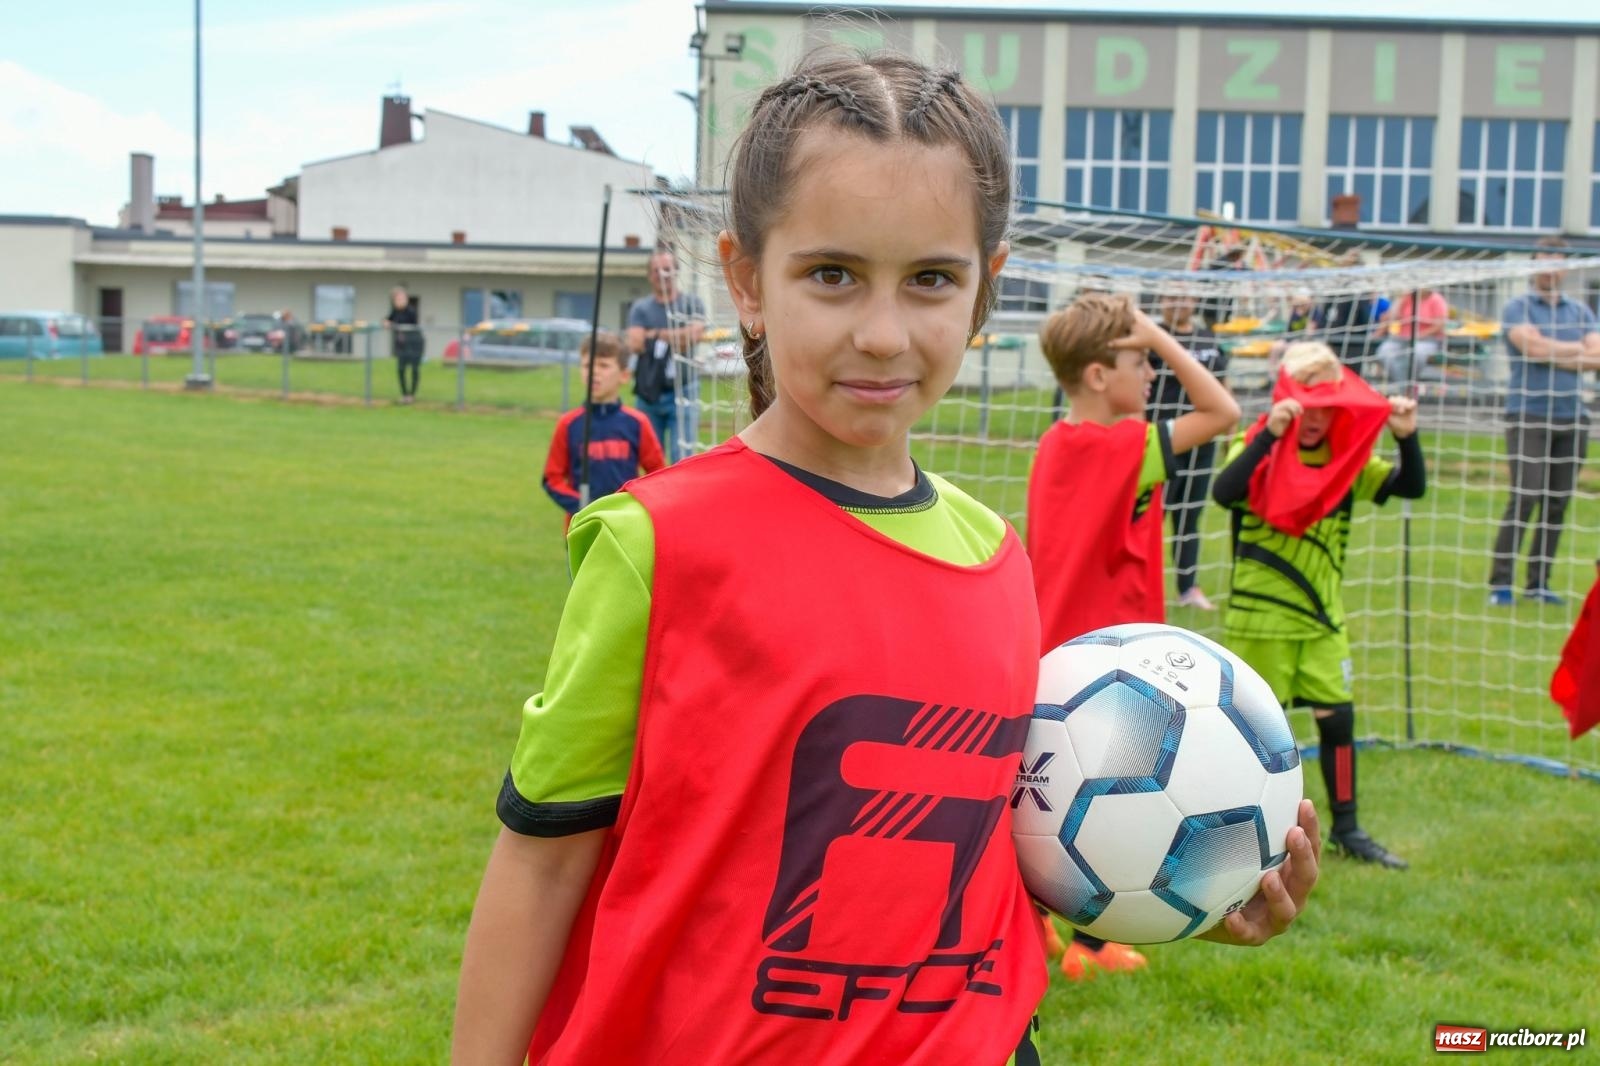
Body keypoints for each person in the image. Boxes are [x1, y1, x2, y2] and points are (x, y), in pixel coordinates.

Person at [453, 48, 1320, 1066]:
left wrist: (1184, 886)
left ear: (983, 290)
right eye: (832, 274)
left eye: (929, 280)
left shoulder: (995, 560)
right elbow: (545, 861)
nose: (880, 331)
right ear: (745, 280)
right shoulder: (661, 543)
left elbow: (991, 843)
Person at [1028, 290, 1240, 978]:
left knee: (1043, 800)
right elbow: (1223, 412)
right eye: (1139, 361)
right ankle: (1090, 947)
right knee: (1113, 805)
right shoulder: (1126, 446)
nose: (1151, 373)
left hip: (1052, 657)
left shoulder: (1055, 444)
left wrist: (1143, 338)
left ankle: (1035, 928)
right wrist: (1161, 333)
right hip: (1114, 670)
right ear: (1097, 376)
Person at [1212, 341, 1424, 870]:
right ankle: (1248, 838)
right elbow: (1224, 491)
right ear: (1286, 398)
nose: (1315, 418)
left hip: (1323, 619)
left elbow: (1411, 486)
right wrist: (1269, 435)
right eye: (1306, 403)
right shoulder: (1255, 442)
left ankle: (1347, 829)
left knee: (1339, 721)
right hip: (1259, 620)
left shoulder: (1347, 459)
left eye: (1327, 405)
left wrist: (1408, 437)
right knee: (1261, 737)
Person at [1489, 236, 1600, 606]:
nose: (1549, 270)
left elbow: (1596, 357)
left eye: (1556, 262)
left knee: (1557, 501)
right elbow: (1530, 349)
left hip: (1573, 417)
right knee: (1526, 495)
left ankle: (1538, 583)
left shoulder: (1581, 312)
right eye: (1542, 262)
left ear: (1565, 267)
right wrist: (1574, 350)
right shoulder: (1518, 307)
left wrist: (1550, 350)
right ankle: (1500, 584)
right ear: (1533, 266)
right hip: (1528, 414)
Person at [1150, 292, 1231, 610]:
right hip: (1161, 440)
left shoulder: (1208, 337)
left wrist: (1229, 431)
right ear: (1161, 302)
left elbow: (1223, 383)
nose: (1178, 302)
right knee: (1153, 516)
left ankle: (1188, 588)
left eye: (1184, 297)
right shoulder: (1151, 338)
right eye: (1170, 297)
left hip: (1203, 442)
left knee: (1190, 517)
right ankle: (1147, 584)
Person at [541, 330, 665, 522]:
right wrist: (582, 506)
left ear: (624, 375)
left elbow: (657, 474)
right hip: (582, 525)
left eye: (603, 365)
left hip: (625, 524)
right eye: (587, 365)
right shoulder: (569, 424)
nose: (594, 372)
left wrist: (632, 504)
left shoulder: (637, 423)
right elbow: (552, 479)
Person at [626, 247, 706, 462]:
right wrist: (678, 337)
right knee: (651, 458)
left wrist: (656, 334)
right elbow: (635, 343)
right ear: (649, 275)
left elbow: (695, 334)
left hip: (684, 389)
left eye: (667, 269)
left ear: (676, 271)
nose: (663, 275)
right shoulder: (640, 308)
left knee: (683, 458)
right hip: (649, 392)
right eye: (657, 270)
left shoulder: (691, 303)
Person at [1373, 286, 1448, 385]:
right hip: (1402, 339)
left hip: (1426, 340)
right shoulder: (1407, 298)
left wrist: (1419, 335)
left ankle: (1405, 387)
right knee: (1384, 352)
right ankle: (1404, 385)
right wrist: (1400, 299)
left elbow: (1439, 325)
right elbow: (1391, 318)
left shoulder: (1437, 300)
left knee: (1416, 355)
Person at [384, 286, 424, 404]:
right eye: (398, 298)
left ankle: (412, 395)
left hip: (415, 343)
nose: (401, 300)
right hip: (403, 345)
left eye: (402, 297)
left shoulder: (411, 310)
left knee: (414, 369)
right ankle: (404, 394)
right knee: (401, 369)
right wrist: (386, 322)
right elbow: (388, 319)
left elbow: (408, 322)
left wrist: (393, 323)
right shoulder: (395, 311)